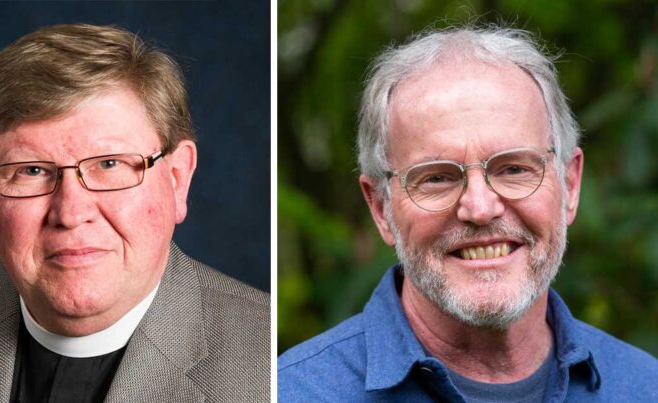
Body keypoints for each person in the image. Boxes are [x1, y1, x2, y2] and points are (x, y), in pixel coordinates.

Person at [0, 23, 269, 402]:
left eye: (109, 164)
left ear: (177, 178)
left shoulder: (266, 371)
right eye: (31, 171)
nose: (71, 213)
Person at [278, 26, 658, 402]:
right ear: (380, 207)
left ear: (570, 186)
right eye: (438, 177)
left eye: (514, 169)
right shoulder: (291, 392)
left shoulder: (644, 387)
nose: (479, 208)